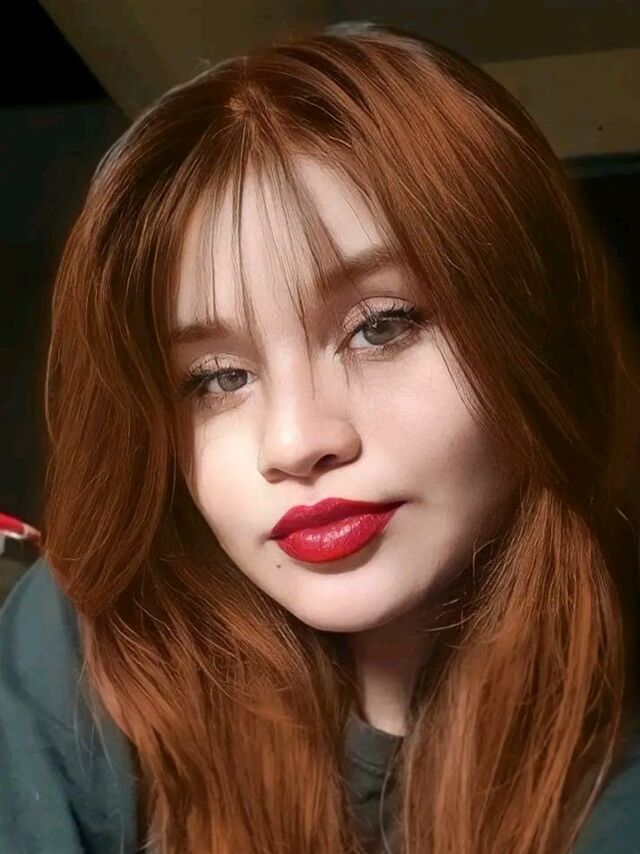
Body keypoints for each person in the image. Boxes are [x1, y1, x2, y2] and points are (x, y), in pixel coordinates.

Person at [1, 20, 640, 854]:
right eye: (218, 378)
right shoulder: (89, 636)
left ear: (534, 331)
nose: (296, 441)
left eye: (381, 326)